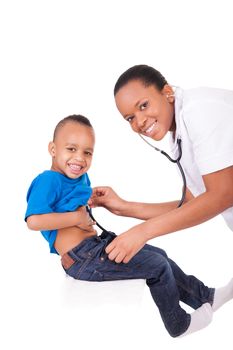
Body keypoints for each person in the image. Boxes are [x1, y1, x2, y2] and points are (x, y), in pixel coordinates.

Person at [25, 114, 233, 338]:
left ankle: (203, 296)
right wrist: (77, 219)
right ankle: (178, 324)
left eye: (87, 152)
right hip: (82, 258)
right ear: (53, 149)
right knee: (156, 265)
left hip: (95, 246)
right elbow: (34, 221)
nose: (80, 158)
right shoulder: (47, 180)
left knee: (159, 254)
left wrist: (89, 201)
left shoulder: (79, 179)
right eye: (71, 149)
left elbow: (71, 204)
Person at [88, 64, 233, 265]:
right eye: (130, 118)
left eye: (143, 105)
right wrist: (124, 207)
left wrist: (143, 232)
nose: (139, 121)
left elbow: (223, 194)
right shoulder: (178, 134)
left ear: (167, 92)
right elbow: (190, 203)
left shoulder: (198, 110)